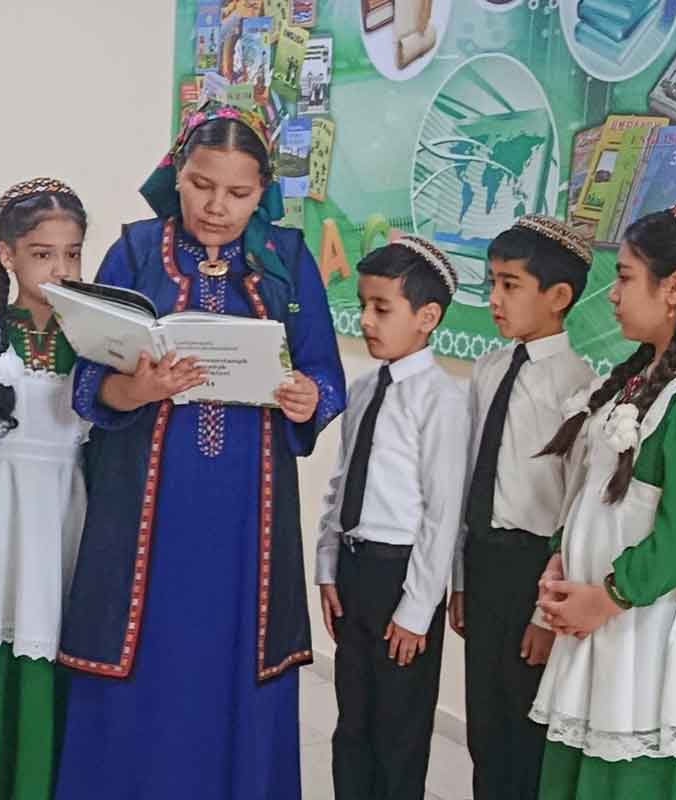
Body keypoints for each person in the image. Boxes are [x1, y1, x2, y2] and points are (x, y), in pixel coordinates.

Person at [54, 100, 346, 800]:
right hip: (146, 510)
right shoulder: (134, 251)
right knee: (144, 650)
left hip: (249, 514)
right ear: (176, 176)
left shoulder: (287, 259)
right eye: (201, 185)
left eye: (239, 193)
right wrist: (137, 389)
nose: (217, 207)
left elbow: (325, 373)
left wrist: (309, 397)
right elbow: (87, 376)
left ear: (262, 191)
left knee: (237, 651)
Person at [530, 201, 676, 800]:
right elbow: (594, 492)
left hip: (648, 627)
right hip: (600, 618)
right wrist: (561, 558)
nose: (613, 294)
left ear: (674, 288)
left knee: (633, 777)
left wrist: (606, 597)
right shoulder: (640, 380)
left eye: (625, 277)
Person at [449, 216, 596, 800]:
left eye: (510, 285)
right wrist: (461, 579)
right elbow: (468, 480)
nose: (494, 299)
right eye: (492, 283)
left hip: (532, 570)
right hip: (483, 563)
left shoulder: (579, 388)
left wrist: (543, 615)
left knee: (524, 727)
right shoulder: (489, 369)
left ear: (558, 297)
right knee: (484, 725)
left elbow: (575, 507)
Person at [316, 238, 469, 800]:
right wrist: (327, 566)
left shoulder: (442, 401)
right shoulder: (364, 389)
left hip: (401, 577)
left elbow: (443, 514)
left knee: (398, 731)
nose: (366, 320)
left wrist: (416, 611)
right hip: (354, 570)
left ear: (427, 317)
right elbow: (340, 483)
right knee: (352, 723)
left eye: (382, 308)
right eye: (363, 305)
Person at [0, 177, 91, 798]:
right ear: (7, 255)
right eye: (43, 254)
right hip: (0, 521)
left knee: (57, 644)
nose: (60, 268)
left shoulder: (93, 345)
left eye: (72, 253)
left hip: (66, 519)